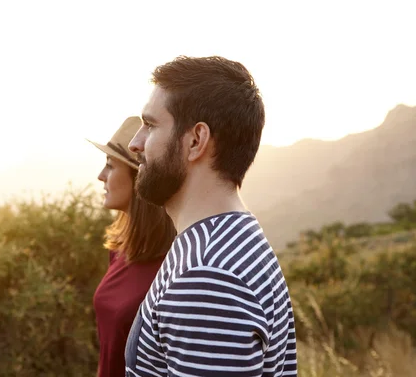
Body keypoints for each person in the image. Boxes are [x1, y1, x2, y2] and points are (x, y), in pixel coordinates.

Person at [124, 56, 297, 376]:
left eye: (149, 125)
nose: (135, 144)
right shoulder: (228, 240)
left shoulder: (207, 273)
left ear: (195, 140)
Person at [87, 116, 177, 377]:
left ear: (138, 178)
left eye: (110, 166)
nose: (100, 176)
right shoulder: (120, 248)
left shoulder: (171, 264)